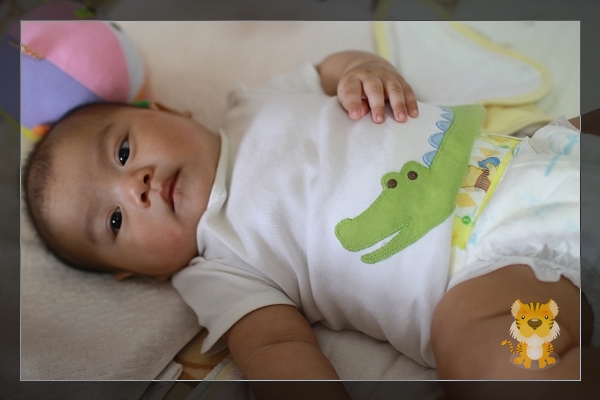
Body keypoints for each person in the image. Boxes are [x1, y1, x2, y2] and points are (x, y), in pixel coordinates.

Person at [23, 50, 593, 399]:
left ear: (167, 112)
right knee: (492, 368)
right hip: (497, 272)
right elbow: (275, 348)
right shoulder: (216, 267)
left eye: (123, 152)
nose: (136, 186)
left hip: (538, 150)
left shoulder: (252, 102)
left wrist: (364, 71)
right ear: (142, 273)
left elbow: (331, 67)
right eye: (115, 220)